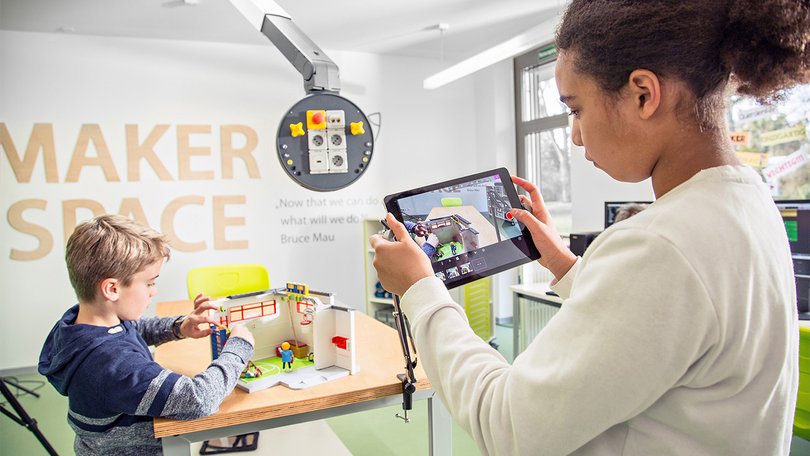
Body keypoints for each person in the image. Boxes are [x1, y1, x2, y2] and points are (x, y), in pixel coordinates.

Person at [370, 1, 808, 454]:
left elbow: (507, 425)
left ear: (643, 94)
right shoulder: (746, 201)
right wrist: (561, 262)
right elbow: (661, 329)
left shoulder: (663, 244)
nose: (576, 136)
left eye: (576, 110)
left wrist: (421, 291)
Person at [38, 214, 255, 455]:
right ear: (112, 289)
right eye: (149, 283)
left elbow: (132, 330)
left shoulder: (76, 324)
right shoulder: (115, 365)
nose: (154, 291)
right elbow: (199, 399)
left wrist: (179, 327)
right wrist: (238, 347)